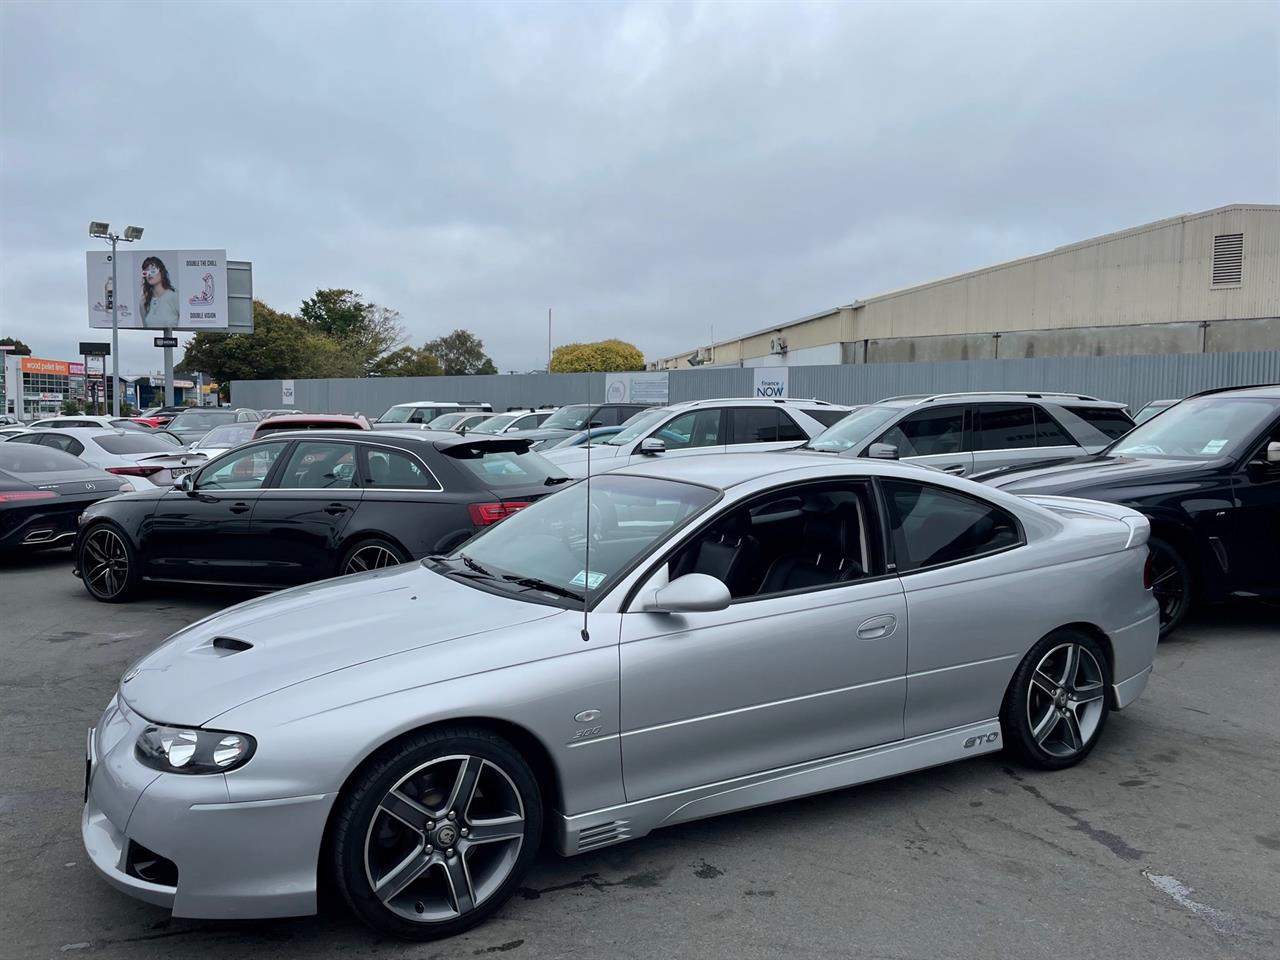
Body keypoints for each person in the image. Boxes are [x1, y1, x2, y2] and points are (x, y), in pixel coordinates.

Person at [140, 256, 180, 328]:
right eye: (146, 271)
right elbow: (146, 328)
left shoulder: (175, 295)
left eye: (153, 270)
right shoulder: (143, 302)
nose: (149, 274)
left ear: (161, 272)